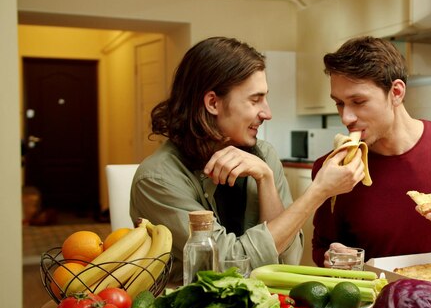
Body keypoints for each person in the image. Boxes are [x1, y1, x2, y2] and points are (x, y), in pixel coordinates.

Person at [130, 36, 365, 282]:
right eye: (255, 100)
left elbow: (286, 260)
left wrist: (266, 178)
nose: (267, 113)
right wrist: (317, 192)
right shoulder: (157, 179)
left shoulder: (264, 156)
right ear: (213, 103)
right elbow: (224, 266)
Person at [311, 36, 431, 267]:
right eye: (339, 103)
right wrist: (333, 257)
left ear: (396, 92)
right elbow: (321, 248)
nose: (346, 117)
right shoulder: (331, 169)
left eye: (358, 101)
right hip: (374, 298)